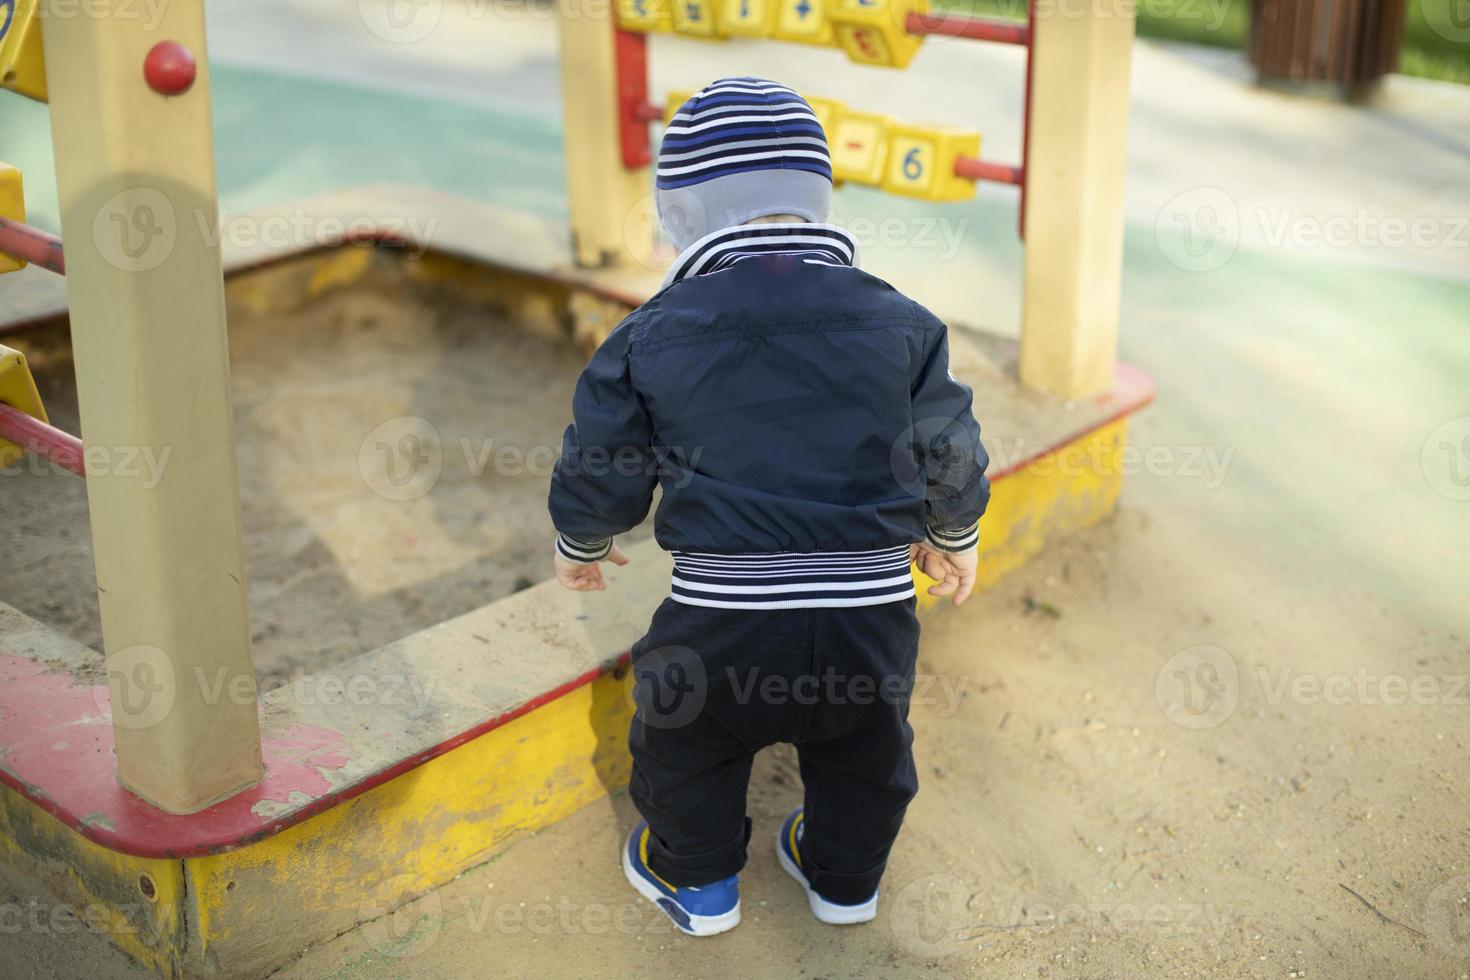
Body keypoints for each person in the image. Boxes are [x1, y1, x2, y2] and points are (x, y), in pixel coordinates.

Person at [548, 76, 990, 937]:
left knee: (685, 746)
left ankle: (699, 882)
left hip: (722, 619)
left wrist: (583, 539)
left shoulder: (650, 333)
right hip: (869, 611)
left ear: (680, 217)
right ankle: (844, 882)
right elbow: (949, 443)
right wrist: (950, 533)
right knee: (866, 756)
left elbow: (604, 459)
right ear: (818, 202)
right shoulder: (902, 321)